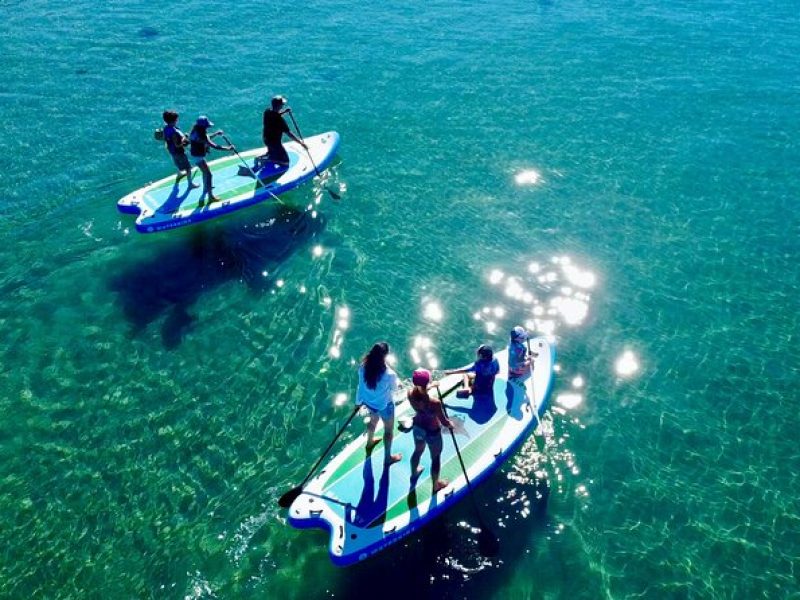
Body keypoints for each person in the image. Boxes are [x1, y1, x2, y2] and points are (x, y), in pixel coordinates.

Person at [407, 369, 454, 493]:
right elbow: (444, 422)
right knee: (435, 458)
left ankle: (414, 473)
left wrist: (431, 387)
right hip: (432, 432)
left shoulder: (410, 394)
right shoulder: (435, 403)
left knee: (417, 451)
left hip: (418, 428)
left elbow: (420, 392)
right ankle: (435, 485)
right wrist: (450, 424)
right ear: (428, 382)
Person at [356, 342, 402, 466]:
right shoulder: (389, 374)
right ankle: (388, 458)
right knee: (388, 431)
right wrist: (398, 382)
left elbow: (360, 386)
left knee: (372, 422)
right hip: (385, 406)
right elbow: (394, 390)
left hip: (369, 404)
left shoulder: (363, 367)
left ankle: (369, 443)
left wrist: (358, 403)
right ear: (385, 356)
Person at [189, 115, 234, 204]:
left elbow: (206, 139)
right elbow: (213, 145)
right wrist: (228, 148)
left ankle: (206, 187)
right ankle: (210, 196)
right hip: (198, 157)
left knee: (205, 172)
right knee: (209, 175)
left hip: (195, 155)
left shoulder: (195, 131)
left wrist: (216, 134)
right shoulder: (201, 135)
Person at [261, 95, 306, 166]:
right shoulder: (280, 121)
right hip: (275, 143)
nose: (283, 106)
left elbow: (275, 115)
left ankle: (267, 156)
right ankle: (268, 160)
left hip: (266, 138)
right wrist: (301, 143)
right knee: (286, 162)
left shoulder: (267, 112)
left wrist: (284, 112)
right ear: (279, 106)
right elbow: (289, 134)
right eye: (282, 104)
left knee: (272, 151)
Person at [161, 110, 198, 190]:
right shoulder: (175, 131)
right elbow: (178, 145)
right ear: (174, 120)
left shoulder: (165, 128)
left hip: (171, 150)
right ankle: (190, 184)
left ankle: (179, 174)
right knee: (188, 168)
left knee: (176, 162)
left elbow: (165, 139)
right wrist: (184, 138)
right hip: (178, 152)